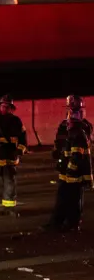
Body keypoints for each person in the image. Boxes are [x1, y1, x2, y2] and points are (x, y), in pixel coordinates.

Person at [45, 95, 92, 232]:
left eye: (76, 110)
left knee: (75, 197)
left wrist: (72, 166)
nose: (72, 113)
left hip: (76, 169)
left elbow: (80, 149)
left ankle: (72, 223)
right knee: (62, 196)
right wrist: (56, 153)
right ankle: (57, 223)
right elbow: (59, 142)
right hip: (65, 167)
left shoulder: (84, 127)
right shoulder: (64, 126)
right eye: (70, 110)